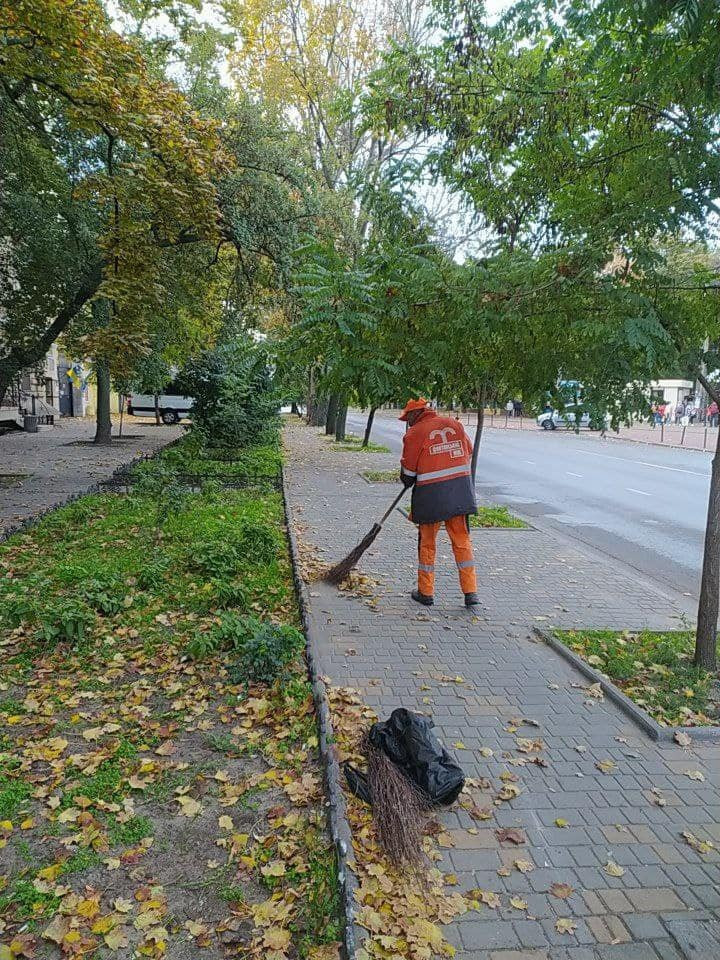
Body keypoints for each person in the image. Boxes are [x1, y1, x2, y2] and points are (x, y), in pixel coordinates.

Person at [398, 398, 479, 608]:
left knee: (427, 543)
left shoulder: (414, 433)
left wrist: (409, 479)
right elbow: (468, 451)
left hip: (431, 496)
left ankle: (426, 593)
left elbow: (408, 472)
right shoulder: (455, 424)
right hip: (459, 491)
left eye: (408, 417)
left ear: (416, 413)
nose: (408, 421)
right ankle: (471, 592)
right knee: (461, 541)